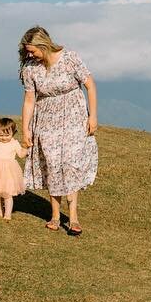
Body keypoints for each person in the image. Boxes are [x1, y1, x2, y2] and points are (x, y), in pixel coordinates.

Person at [19, 26, 97, 234]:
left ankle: (73, 218)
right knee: (52, 164)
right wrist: (25, 128)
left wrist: (93, 116)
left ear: (43, 45)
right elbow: (29, 100)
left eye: (32, 50)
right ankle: (54, 215)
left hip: (73, 115)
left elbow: (90, 85)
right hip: (46, 119)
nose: (29, 54)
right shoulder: (30, 68)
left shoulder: (70, 58)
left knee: (70, 164)